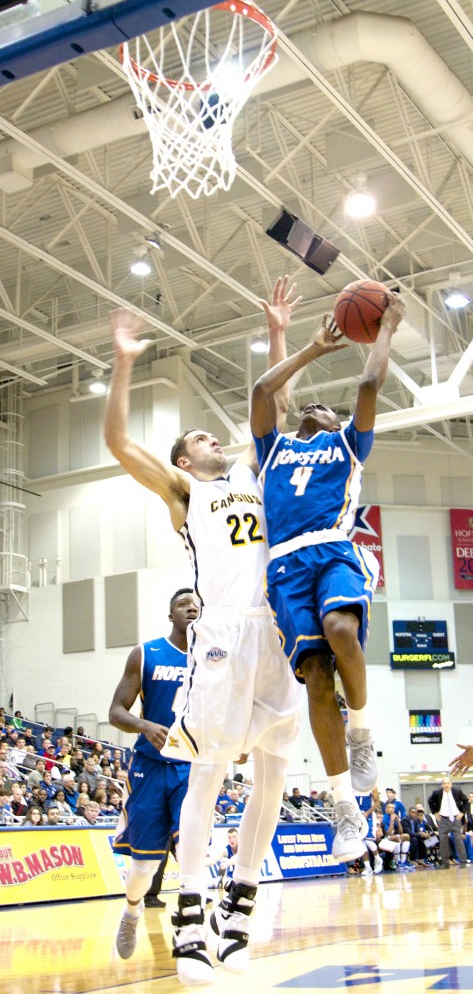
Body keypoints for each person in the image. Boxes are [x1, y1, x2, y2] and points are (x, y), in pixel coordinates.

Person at [105, 277, 303, 985]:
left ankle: (241, 904)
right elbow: (120, 441)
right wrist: (124, 361)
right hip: (221, 635)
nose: (210, 435)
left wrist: (277, 335)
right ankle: (191, 912)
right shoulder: (187, 493)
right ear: (184, 461)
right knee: (209, 771)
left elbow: (273, 408)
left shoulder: (256, 470)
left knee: (276, 770)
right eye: (197, 436)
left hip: (277, 632)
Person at [250, 293, 404, 864]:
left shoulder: (348, 444)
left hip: (333, 550)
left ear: (337, 424)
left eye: (325, 406)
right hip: (285, 565)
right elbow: (264, 393)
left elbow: (367, 387)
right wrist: (311, 347)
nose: (314, 404)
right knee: (315, 677)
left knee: (342, 628)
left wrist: (385, 327)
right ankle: (345, 807)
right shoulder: (275, 449)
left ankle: (361, 730)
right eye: (307, 404)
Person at [109, 588, 197, 959]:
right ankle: (132, 911)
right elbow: (116, 711)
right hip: (149, 766)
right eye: (183, 604)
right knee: (144, 865)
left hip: (192, 766)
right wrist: (145, 725)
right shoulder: (146, 653)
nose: (192, 607)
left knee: (192, 850)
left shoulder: (214, 658)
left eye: (196, 603)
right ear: (170, 615)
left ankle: (190, 923)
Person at [428, 777, 468, 868]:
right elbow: (430, 801)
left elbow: (466, 801)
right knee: (443, 841)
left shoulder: (457, 792)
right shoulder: (437, 793)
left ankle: (463, 862)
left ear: (451, 784)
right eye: (444, 783)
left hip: (455, 819)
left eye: (448, 783)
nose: (446, 785)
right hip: (443, 820)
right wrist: (435, 813)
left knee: (458, 840)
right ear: (442, 785)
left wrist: (462, 813)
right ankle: (445, 863)